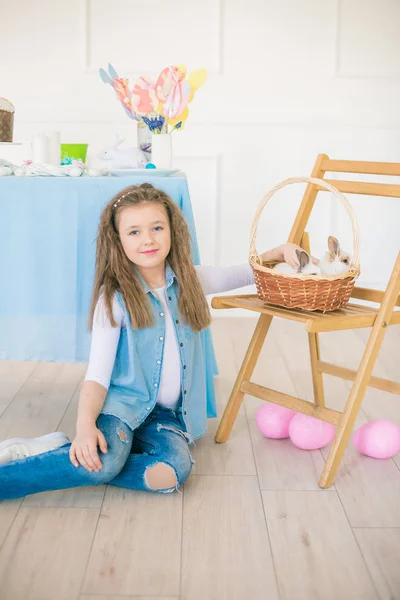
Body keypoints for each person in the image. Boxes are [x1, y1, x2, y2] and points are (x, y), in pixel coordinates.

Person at [0, 183, 305, 500]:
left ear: (172, 230)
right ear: (117, 240)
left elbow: (242, 274)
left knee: (169, 473)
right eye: (134, 232)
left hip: (166, 418)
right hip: (122, 408)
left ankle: (60, 452)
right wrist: (85, 426)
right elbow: (98, 375)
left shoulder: (191, 281)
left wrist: (278, 253)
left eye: (157, 228)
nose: (147, 239)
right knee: (103, 463)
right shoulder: (114, 298)